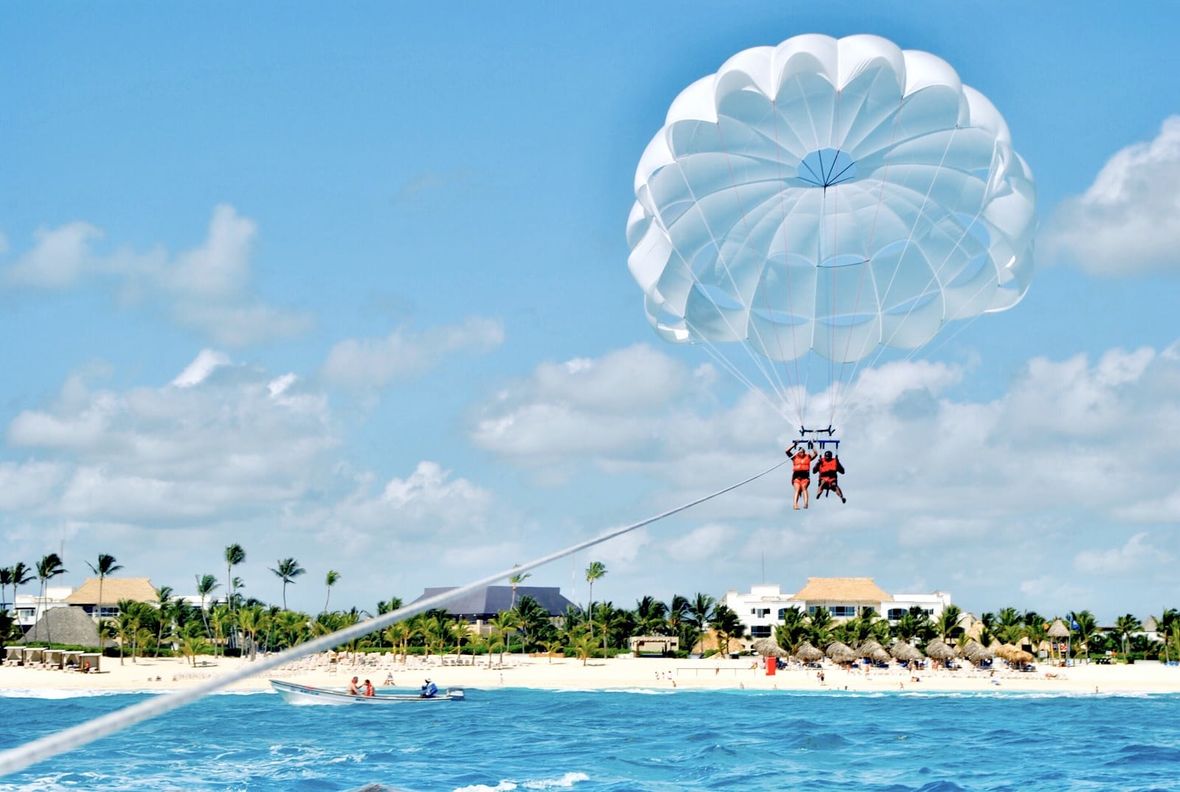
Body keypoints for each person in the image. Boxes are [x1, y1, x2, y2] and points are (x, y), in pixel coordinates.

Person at [786, 442, 818, 510]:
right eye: (800, 452)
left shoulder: (808, 457)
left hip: (805, 477)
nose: (801, 453)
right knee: (797, 489)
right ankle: (795, 505)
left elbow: (815, 454)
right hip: (796, 477)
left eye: (803, 452)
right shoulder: (794, 457)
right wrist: (794, 445)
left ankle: (806, 503)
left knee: (804, 488)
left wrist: (812, 446)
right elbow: (787, 451)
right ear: (798, 452)